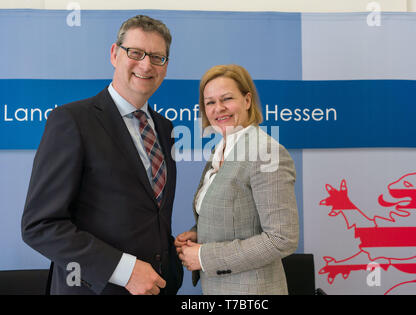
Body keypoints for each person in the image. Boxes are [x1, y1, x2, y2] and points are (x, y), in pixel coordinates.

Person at [21, 15, 183, 295]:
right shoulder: (72, 120)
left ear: (165, 66)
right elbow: (40, 225)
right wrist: (123, 270)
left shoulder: (165, 128)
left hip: (157, 288)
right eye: (135, 52)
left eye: (157, 57)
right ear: (114, 54)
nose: (146, 64)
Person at [175, 64, 299, 295]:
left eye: (227, 98)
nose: (218, 108)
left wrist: (204, 256)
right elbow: (240, 216)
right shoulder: (222, 149)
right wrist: (200, 232)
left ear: (247, 100)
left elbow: (282, 238)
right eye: (210, 102)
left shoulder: (266, 152)